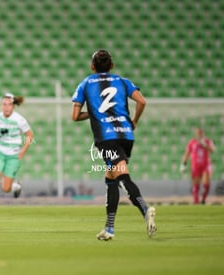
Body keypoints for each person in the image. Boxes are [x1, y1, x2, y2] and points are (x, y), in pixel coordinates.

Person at [71, 49, 156, 241]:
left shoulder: (85, 83)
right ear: (112, 66)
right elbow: (142, 101)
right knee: (111, 178)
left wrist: (94, 113)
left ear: (92, 66)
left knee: (121, 175)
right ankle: (109, 228)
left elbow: (75, 116)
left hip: (106, 137)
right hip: (126, 135)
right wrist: (134, 120)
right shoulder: (122, 81)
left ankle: (145, 209)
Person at [0, 93, 34, 216]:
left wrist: (23, 150)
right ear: (1, 105)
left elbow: (29, 135)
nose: (6, 107)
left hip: (13, 155)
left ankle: (15, 187)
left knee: (6, 188)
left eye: (9, 105)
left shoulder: (19, 120)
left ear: (13, 106)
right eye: (4, 104)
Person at [180, 127, 216, 204]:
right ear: (196, 134)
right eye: (198, 133)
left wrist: (205, 145)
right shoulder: (192, 142)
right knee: (196, 185)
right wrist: (183, 164)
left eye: (201, 133)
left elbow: (213, 150)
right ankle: (196, 202)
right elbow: (187, 153)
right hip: (195, 166)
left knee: (206, 184)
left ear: (203, 133)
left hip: (205, 165)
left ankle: (203, 199)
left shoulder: (207, 141)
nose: (199, 134)